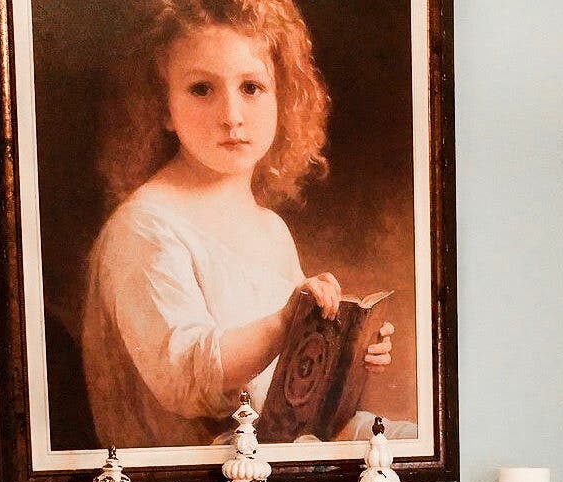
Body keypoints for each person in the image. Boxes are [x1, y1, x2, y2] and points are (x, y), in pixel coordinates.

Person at [80, 0, 407, 449]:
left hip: (274, 457)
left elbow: (289, 393)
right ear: (163, 107)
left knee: (403, 444)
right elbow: (183, 380)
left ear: (283, 98)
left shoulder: (271, 228)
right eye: (201, 89)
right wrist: (284, 324)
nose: (231, 115)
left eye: (251, 87)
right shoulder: (144, 226)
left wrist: (347, 354)